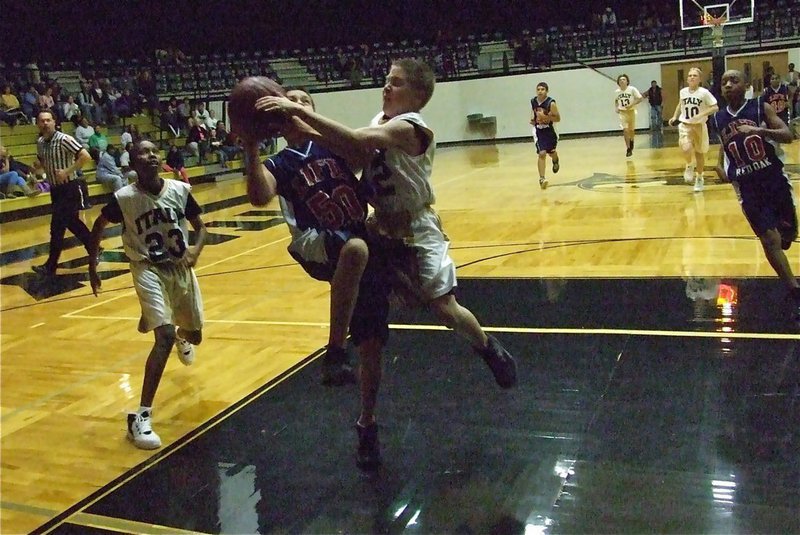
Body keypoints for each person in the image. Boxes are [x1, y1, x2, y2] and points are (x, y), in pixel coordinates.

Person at [259, 58, 518, 468]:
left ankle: (487, 348)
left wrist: (297, 112)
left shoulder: (411, 126)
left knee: (443, 306)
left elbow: (359, 143)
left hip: (416, 228)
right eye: (385, 80)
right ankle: (364, 418)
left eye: (394, 83)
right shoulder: (377, 118)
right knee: (371, 340)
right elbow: (354, 160)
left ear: (416, 95)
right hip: (376, 232)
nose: (385, 88)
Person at [243, 86, 390, 387]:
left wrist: (308, 126)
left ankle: (365, 415)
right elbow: (259, 196)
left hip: (353, 232)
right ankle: (334, 351)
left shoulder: (332, 146)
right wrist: (251, 146)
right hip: (313, 239)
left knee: (373, 330)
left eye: (303, 102)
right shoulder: (279, 162)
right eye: (289, 101)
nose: (295, 104)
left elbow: (361, 154)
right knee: (357, 250)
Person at [88, 139, 207, 449]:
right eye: (143, 152)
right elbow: (99, 225)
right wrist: (93, 265)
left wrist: (196, 248)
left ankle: (180, 335)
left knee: (194, 336)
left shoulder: (180, 190)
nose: (151, 155)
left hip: (180, 269)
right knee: (163, 337)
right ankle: (140, 417)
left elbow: (200, 226)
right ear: (133, 163)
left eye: (155, 151)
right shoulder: (124, 198)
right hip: (146, 268)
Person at [712, 70, 799, 319]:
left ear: (747, 86)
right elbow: (725, 144)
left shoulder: (761, 107)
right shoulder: (718, 118)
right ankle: (794, 290)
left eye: (734, 81)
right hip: (747, 187)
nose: (728, 85)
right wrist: (720, 164)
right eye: (724, 82)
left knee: (788, 234)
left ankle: (787, 231)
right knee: (769, 240)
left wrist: (762, 132)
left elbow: (789, 135)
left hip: (774, 180)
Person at [31, 110, 95, 276]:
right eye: (42, 121)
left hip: (69, 188)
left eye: (48, 120)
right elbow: (43, 162)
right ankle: (95, 248)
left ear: (54, 122)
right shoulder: (40, 142)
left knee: (57, 228)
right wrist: (39, 170)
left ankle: (51, 266)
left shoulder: (65, 139)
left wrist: (67, 171)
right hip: (55, 189)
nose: (45, 123)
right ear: (37, 124)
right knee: (73, 223)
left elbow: (85, 156)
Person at [668, 67, 718, 193]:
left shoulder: (704, 92)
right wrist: (675, 116)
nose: (691, 77)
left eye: (694, 75)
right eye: (690, 75)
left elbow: (715, 107)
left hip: (699, 126)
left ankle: (699, 178)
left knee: (699, 154)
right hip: (685, 124)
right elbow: (681, 104)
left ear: (699, 79)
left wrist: (702, 114)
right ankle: (689, 165)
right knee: (685, 147)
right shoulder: (683, 91)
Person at [529, 82, 560, 189]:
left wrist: (546, 117)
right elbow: (534, 112)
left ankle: (555, 160)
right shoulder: (533, 101)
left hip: (550, 130)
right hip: (538, 131)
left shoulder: (551, 103)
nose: (540, 91)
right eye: (538, 89)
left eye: (542, 89)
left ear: (546, 91)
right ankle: (542, 179)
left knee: (551, 152)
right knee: (542, 153)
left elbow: (558, 118)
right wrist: (533, 118)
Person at [614, 74, 642, 158]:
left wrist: (632, 104)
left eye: (624, 79)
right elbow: (616, 101)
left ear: (627, 81)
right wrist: (616, 108)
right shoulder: (617, 92)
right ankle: (628, 149)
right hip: (622, 112)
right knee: (625, 130)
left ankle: (632, 140)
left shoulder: (632, 89)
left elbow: (640, 98)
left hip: (631, 111)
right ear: (618, 82)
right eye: (620, 80)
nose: (622, 81)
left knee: (631, 130)